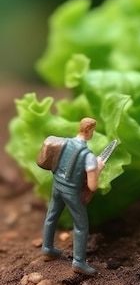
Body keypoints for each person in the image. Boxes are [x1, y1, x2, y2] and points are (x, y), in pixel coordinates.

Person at [41, 118, 104, 276]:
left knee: (52, 215)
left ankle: (47, 248)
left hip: (57, 185)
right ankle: (78, 262)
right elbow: (92, 185)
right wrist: (98, 168)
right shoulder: (88, 156)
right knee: (81, 226)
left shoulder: (64, 143)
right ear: (89, 131)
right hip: (71, 192)